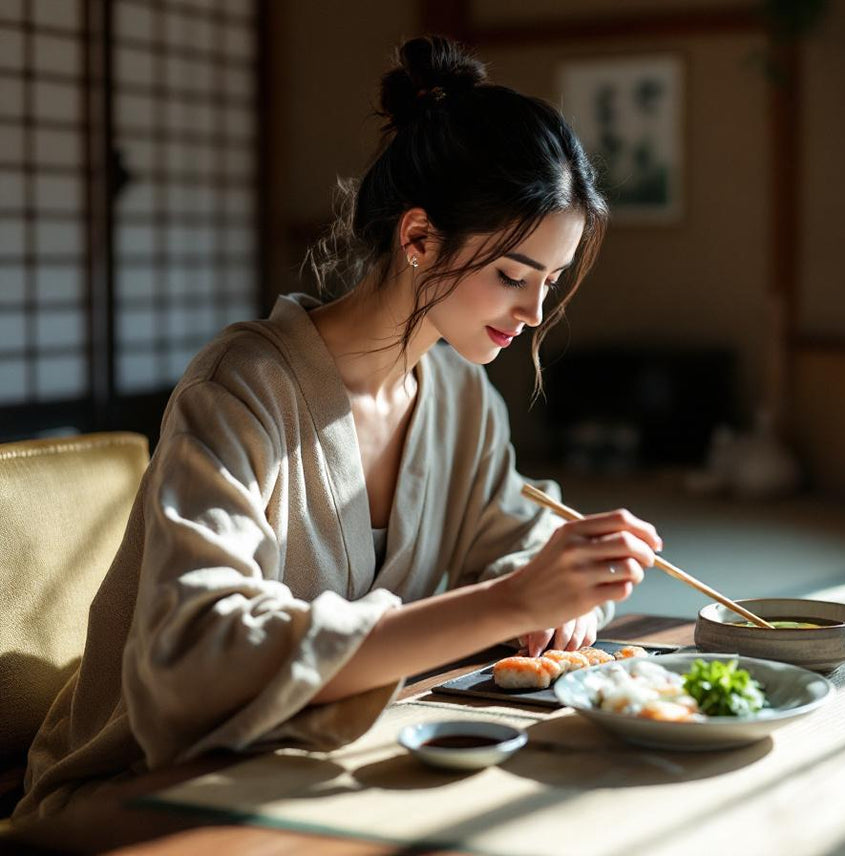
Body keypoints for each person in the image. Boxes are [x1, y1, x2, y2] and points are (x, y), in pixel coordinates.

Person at [14, 35, 663, 821]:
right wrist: (509, 602)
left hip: (333, 772)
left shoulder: (460, 398)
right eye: (512, 277)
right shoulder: (241, 389)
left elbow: (513, 535)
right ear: (419, 238)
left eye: (549, 283)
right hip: (152, 785)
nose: (532, 315)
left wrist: (566, 593)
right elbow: (197, 647)